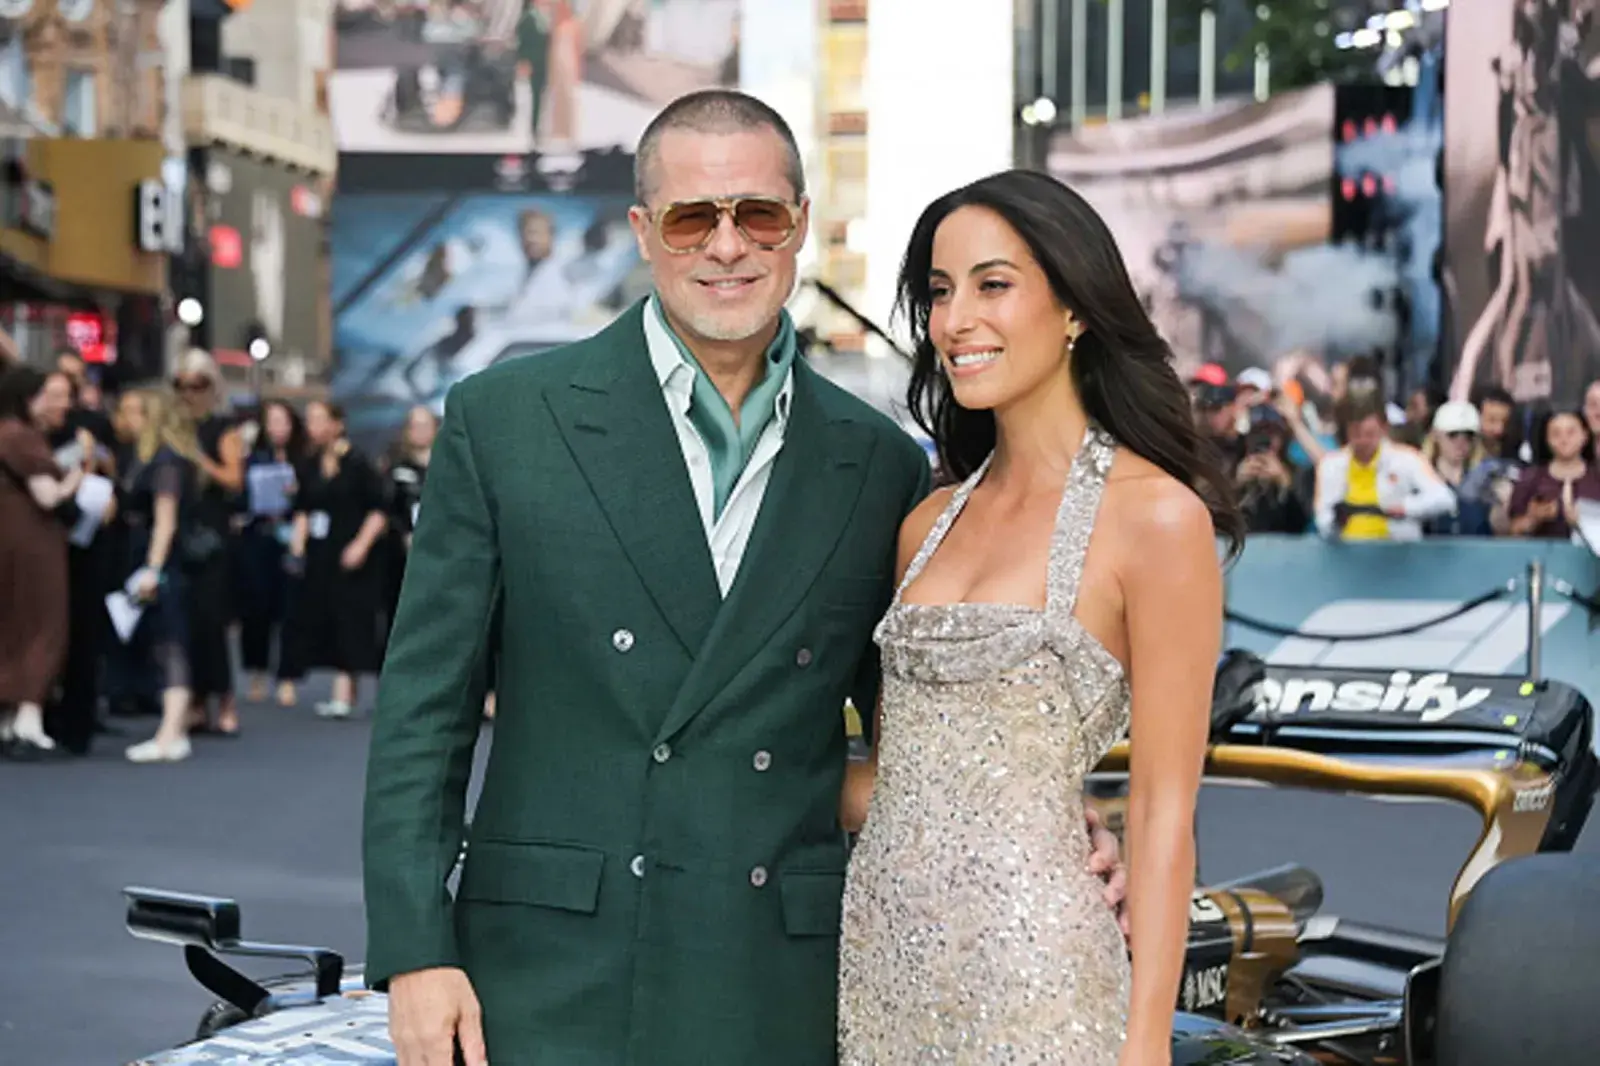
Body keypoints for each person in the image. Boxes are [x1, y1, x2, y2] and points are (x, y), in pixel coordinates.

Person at [363, 89, 1126, 1066]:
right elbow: (422, 714)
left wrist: (1044, 822)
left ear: (798, 225)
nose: (727, 245)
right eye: (693, 217)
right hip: (548, 971)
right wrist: (416, 951)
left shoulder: (877, 461)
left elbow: (915, 737)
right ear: (645, 232)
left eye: (756, 213)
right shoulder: (506, 420)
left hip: (775, 974)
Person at [835, 170, 1243, 1065]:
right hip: (877, 967)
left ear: (1075, 310)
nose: (953, 321)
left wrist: (1144, 1048)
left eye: (993, 284)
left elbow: (1166, 815)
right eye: (939, 292)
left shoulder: (1158, 519)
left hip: (1041, 973)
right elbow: (898, 780)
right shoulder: (923, 527)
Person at [0, 367, 90, 759]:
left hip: (12, 540)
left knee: (15, 625)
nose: (56, 404)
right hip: (34, 543)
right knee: (44, 624)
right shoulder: (20, 437)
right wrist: (77, 474)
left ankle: (13, 720)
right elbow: (49, 496)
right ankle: (29, 720)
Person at [287, 400, 388, 719]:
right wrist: (297, 543)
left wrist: (361, 544)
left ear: (337, 423)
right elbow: (303, 506)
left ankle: (348, 690)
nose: (313, 426)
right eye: (310, 420)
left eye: (319, 419)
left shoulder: (358, 463)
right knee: (326, 616)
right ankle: (340, 688)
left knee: (353, 618)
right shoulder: (309, 463)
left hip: (354, 551)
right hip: (321, 552)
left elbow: (378, 508)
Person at [120, 386, 204, 764]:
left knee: (171, 641)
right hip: (153, 559)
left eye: (135, 412)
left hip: (163, 564)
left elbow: (165, 521)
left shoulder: (166, 460)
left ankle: (172, 731)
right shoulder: (154, 457)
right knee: (163, 641)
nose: (127, 420)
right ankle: (172, 729)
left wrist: (152, 569)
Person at [173, 349, 244, 734]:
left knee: (212, 619)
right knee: (186, 622)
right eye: (181, 385)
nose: (188, 393)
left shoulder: (223, 429)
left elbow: (235, 480)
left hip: (213, 536)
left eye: (196, 385)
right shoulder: (176, 427)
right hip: (182, 529)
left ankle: (226, 698)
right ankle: (197, 699)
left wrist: (200, 460)